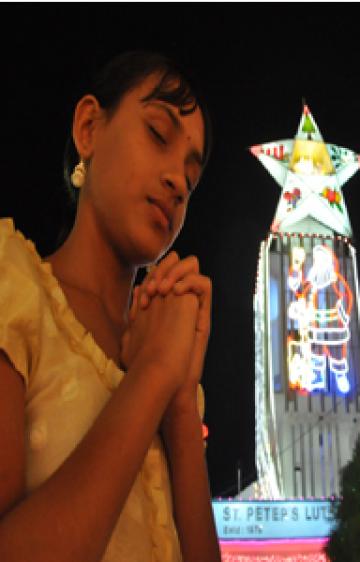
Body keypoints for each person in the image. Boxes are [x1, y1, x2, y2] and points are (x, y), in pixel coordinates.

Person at [0, 52, 218, 561]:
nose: (178, 183)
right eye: (158, 135)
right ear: (89, 128)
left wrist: (182, 399)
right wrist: (155, 373)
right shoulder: (13, 283)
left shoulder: (173, 368)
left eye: (192, 175)